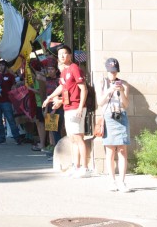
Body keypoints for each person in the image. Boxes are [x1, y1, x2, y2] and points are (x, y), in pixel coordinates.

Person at [42, 45, 88, 177]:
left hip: (76, 107)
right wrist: (50, 98)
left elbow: (83, 88)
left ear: (70, 55)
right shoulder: (63, 72)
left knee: (79, 137)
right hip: (67, 107)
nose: (62, 56)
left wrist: (80, 106)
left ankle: (84, 168)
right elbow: (62, 88)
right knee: (72, 138)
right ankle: (76, 165)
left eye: (64, 53)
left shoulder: (74, 68)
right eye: (60, 54)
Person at [97, 58, 131, 192]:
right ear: (107, 70)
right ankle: (112, 180)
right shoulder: (101, 82)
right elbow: (100, 102)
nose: (113, 74)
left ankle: (122, 181)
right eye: (111, 72)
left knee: (122, 150)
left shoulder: (125, 84)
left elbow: (125, 104)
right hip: (109, 116)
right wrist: (110, 90)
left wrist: (121, 90)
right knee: (110, 150)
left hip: (121, 116)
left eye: (115, 72)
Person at [0, 60, 22, 145]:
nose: (1, 67)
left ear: (6, 66)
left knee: (10, 119)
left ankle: (17, 137)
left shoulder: (10, 76)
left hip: (7, 101)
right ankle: (1, 138)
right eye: (0, 65)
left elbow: (14, 87)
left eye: (2, 65)